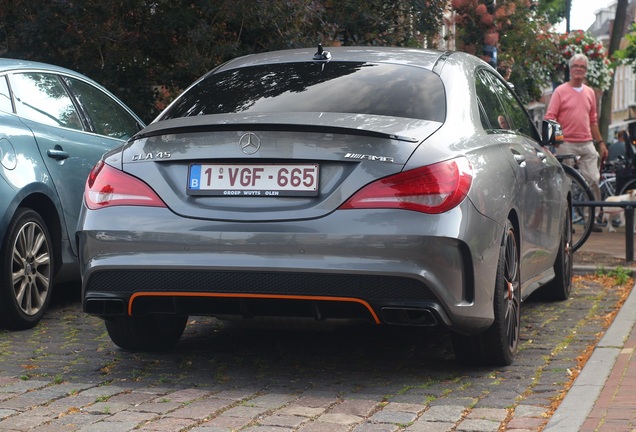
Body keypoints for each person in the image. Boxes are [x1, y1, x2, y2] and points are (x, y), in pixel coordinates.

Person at [545, 53, 609, 232]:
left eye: (582, 67)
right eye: (576, 66)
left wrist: (601, 143)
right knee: (567, 183)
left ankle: (592, 219)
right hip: (567, 143)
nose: (579, 69)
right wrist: (556, 141)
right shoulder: (561, 91)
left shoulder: (589, 93)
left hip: (587, 142)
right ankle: (567, 221)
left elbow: (593, 121)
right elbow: (550, 117)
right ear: (570, 70)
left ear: (586, 71)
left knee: (594, 180)